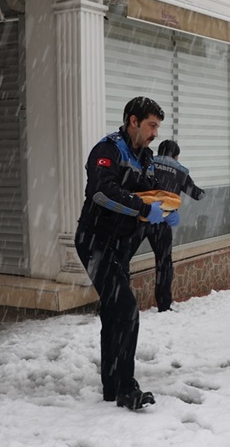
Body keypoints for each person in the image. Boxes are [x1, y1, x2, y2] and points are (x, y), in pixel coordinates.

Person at [74, 96, 179, 410]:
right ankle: (126, 388)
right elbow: (102, 193)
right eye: (151, 125)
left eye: (157, 127)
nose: (154, 133)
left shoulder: (145, 157)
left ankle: (111, 386)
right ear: (133, 121)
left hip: (120, 246)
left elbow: (151, 193)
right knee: (127, 310)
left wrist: (166, 208)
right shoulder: (108, 150)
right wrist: (144, 208)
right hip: (95, 241)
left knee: (113, 312)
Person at [141, 139, 206, 312]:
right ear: (176, 155)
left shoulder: (148, 163)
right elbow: (196, 195)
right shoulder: (180, 171)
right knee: (163, 262)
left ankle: (111, 303)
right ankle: (164, 304)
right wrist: (203, 193)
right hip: (162, 221)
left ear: (160, 151)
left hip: (140, 217)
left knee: (122, 258)